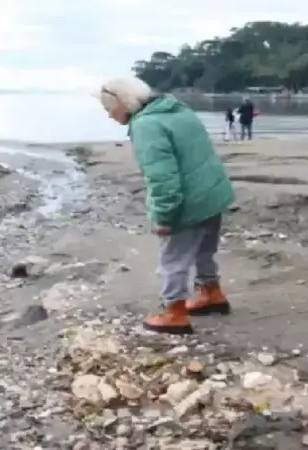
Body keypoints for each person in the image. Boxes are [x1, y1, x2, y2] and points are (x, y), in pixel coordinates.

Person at [97, 77, 235, 335]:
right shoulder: (177, 109)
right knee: (204, 250)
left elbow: (162, 178)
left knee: (172, 259)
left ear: (122, 102)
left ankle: (175, 313)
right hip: (213, 193)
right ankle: (211, 293)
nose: (108, 115)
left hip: (190, 201)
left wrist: (165, 217)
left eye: (108, 108)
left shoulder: (146, 125)